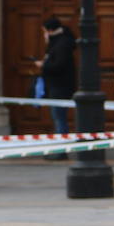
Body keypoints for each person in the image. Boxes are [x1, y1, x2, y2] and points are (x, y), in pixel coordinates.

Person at [37, 16, 76, 158]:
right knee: (58, 117)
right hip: (57, 85)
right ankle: (60, 149)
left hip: (60, 86)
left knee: (59, 118)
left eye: (44, 31)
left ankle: (61, 151)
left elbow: (58, 65)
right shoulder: (58, 43)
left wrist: (44, 65)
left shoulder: (61, 44)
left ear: (50, 30)